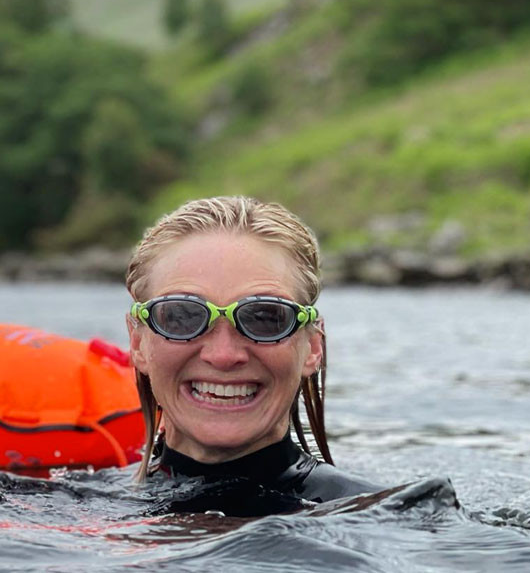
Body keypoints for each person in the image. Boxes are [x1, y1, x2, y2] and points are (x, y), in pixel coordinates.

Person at [126, 196, 381, 515]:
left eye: (264, 317)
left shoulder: (387, 514)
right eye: (183, 316)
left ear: (312, 347)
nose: (223, 355)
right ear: (137, 342)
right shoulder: (72, 499)